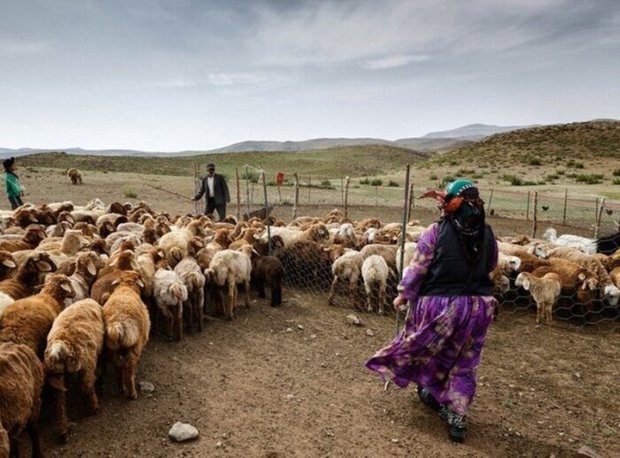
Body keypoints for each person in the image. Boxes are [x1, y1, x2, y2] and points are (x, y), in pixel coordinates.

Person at [366, 179, 498, 443]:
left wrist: (404, 294)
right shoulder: (488, 233)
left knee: (424, 349)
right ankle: (457, 415)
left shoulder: (435, 232)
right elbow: (492, 264)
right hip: (479, 307)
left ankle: (428, 389)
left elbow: (418, 267)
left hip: (442, 305)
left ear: (448, 204)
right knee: (465, 362)